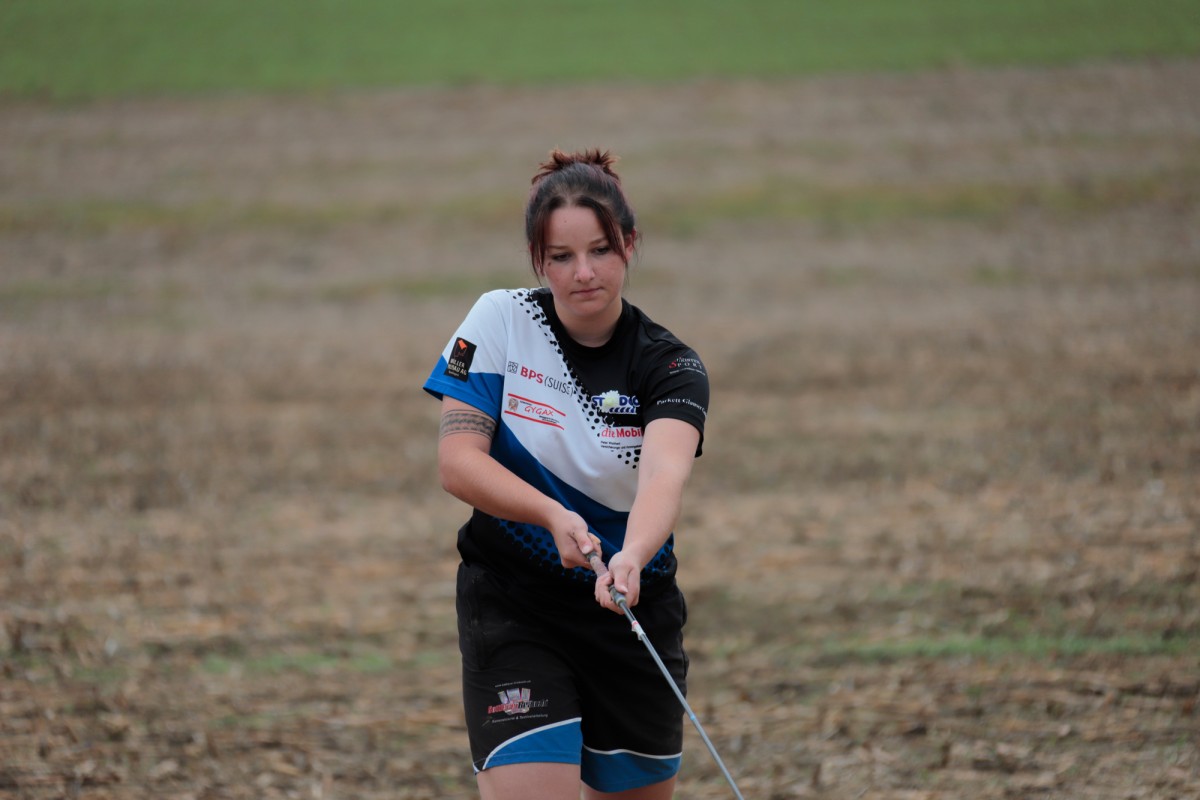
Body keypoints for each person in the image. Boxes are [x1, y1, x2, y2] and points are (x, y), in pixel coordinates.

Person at [423, 148, 709, 800]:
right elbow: (457, 461)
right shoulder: (498, 320)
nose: (583, 273)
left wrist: (631, 557)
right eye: (561, 256)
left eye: (601, 250)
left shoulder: (672, 367)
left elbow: (663, 477)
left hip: (630, 607)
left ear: (629, 244)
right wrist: (551, 514)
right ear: (538, 260)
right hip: (515, 603)